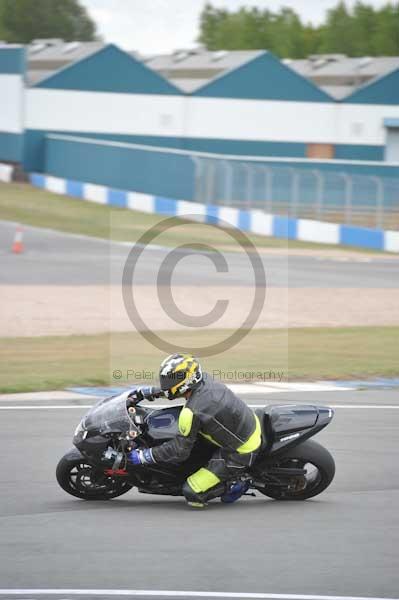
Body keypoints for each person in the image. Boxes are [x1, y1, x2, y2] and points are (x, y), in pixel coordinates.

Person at [128, 353, 262, 508]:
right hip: (243, 423)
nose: (166, 383)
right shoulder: (203, 379)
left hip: (240, 450)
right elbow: (174, 389)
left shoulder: (192, 411)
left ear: (186, 380)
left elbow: (179, 452)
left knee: (192, 492)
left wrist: (145, 456)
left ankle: (236, 484)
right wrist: (147, 392)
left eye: (170, 380)